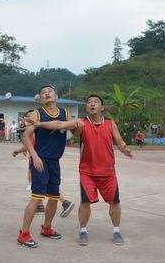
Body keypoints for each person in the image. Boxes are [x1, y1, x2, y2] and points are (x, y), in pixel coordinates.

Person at [17, 85, 78, 248]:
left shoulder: (65, 113)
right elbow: (25, 136)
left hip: (55, 161)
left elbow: (68, 126)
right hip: (41, 160)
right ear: (41, 99)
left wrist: (72, 124)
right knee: (37, 197)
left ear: (56, 96)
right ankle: (24, 233)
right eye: (43, 93)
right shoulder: (36, 114)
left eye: (49, 91)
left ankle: (47, 227)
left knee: (54, 197)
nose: (46, 93)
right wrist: (34, 155)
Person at [70, 94, 132, 246]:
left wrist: (124, 148)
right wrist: (76, 127)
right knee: (85, 202)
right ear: (86, 107)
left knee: (115, 202)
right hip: (87, 172)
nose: (92, 104)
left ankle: (116, 231)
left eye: (96, 102)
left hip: (108, 172)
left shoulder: (110, 124)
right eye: (89, 102)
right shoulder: (82, 123)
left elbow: (119, 141)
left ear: (102, 107)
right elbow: (75, 133)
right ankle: (83, 231)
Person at [12, 144, 75, 217]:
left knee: (43, 187)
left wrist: (18, 150)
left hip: (39, 161)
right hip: (46, 160)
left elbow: (29, 143)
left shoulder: (36, 136)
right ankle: (40, 206)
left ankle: (65, 202)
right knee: (45, 187)